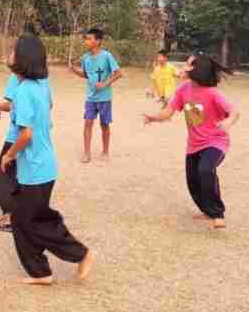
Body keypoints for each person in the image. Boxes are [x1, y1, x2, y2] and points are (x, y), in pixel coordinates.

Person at [1, 34, 93, 284]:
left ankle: (81, 254)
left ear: (23, 59)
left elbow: (26, 134)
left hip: (36, 168)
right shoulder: (41, 86)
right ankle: (41, 272)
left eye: (13, 51)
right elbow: (47, 109)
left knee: (35, 220)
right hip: (42, 165)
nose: (9, 54)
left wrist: (9, 155)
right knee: (21, 219)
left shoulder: (24, 91)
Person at [144, 55, 240, 230]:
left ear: (196, 70)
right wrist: (154, 117)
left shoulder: (213, 93)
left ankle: (217, 213)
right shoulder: (183, 90)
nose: (183, 67)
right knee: (193, 180)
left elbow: (234, 112)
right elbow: (168, 112)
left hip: (215, 142)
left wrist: (228, 122)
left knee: (205, 169)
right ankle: (206, 210)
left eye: (187, 64)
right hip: (194, 144)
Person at [67, 27, 123, 163]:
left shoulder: (106, 56)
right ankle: (87, 153)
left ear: (97, 41)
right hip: (90, 98)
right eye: (86, 38)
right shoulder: (85, 58)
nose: (86, 41)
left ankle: (105, 151)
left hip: (104, 98)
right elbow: (86, 75)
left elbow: (118, 73)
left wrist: (105, 84)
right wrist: (74, 70)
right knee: (88, 123)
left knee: (104, 125)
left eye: (89, 39)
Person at [0, 48, 19, 232]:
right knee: (21, 175)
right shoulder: (43, 79)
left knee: (2, 174)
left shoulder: (18, 78)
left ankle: (10, 216)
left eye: (13, 52)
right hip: (38, 135)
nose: (9, 55)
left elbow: (14, 103)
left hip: (18, 135)